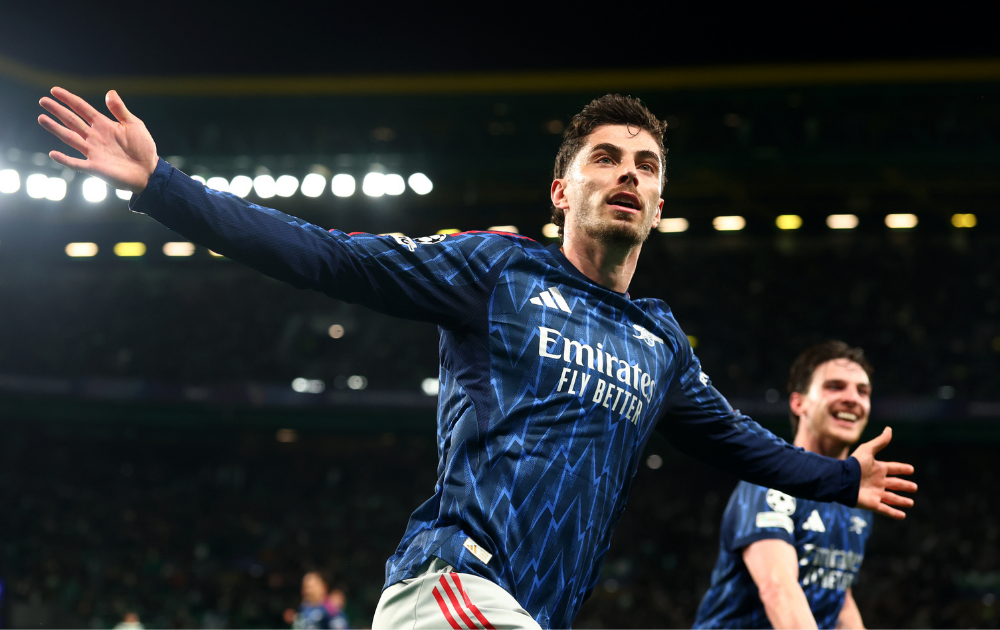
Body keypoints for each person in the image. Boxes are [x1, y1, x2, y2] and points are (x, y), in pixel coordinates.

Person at [38, 89, 916, 630]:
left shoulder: (659, 341)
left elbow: (737, 442)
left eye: (646, 166)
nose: (629, 175)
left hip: (532, 613)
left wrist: (842, 481)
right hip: (451, 584)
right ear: (560, 190)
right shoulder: (496, 268)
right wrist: (165, 189)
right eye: (605, 158)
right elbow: (332, 256)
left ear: (657, 203)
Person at [694, 341, 882, 629]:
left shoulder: (855, 500)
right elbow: (778, 589)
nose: (852, 398)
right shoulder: (770, 484)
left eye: (863, 391)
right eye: (835, 386)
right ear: (798, 403)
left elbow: (839, 596)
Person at [283, 571, 349, 629]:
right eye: (305, 587)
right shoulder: (304, 607)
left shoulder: (331, 607)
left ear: (322, 587)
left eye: (311, 587)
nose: (307, 591)